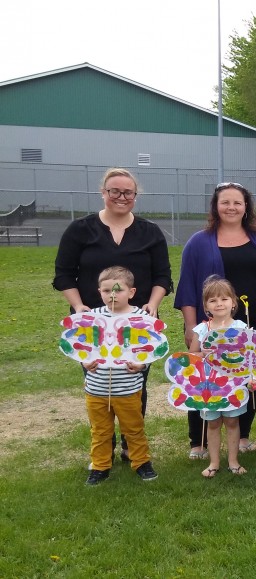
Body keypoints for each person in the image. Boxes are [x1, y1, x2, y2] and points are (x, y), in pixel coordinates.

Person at [53, 168, 172, 463]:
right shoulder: (80, 229)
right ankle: (102, 449)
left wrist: (153, 305)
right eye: (114, 191)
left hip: (136, 326)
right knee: (98, 385)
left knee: (134, 385)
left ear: (135, 195)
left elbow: (163, 276)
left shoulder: (150, 232)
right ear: (103, 193)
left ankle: (131, 446)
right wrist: (80, 307)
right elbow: (64, 274)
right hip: (92, 328)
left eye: (127, 192)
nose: (121, 197)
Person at [175, 182, 256, 458]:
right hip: (211, 327)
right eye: (226, 202)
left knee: (247, 376)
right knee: (205, 379)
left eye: (237, 202)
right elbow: (187, 287)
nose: (231, 207)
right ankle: (198, 442)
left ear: (246, 207)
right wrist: (190, 327)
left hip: (252, 322)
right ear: (216, 206)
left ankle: (242, 435)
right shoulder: (198, 242)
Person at [81, 267, 158, 485]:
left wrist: (142, 364)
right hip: (96, 388)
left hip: (128, 389)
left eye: (118, 290)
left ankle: (141, 462)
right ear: (99, 291)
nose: (112, 295)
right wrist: (85, 361)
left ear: (131, 292)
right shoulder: (92, 317)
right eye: (106, 291)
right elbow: (81, 345)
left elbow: (152, 346)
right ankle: (100, 466)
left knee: (133, 429)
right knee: (100, 431)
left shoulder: (141, 317)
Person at [191, 277, 250, 478]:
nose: (219, 304)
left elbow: (249, 356)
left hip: (233, 384)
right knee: (213, 423)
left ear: (233, 302)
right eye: (213, 300)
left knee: (233, 422)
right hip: (208, 385)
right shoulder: (202, 330)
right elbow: (191, 357)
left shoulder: (242, 327)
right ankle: (214, 462)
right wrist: (202, 354)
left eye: (224, 299)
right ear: (206, 306)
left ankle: (233, 461)